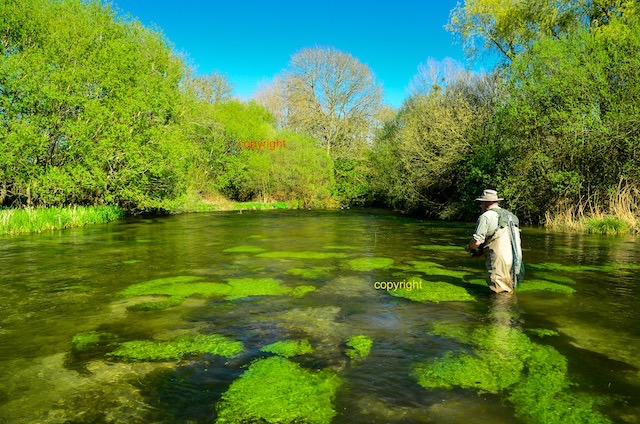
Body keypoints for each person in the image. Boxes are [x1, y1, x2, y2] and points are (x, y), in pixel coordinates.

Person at [464, 189, 523, 294]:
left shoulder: (486, 216)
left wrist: (469, 247)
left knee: (499, 294)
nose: (480, 206)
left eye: (481, 203)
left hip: (499, 260)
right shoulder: (511, 216)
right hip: (516, 260)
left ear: (485, 203)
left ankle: (499, 310)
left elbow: (477, 242)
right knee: (509, 290)